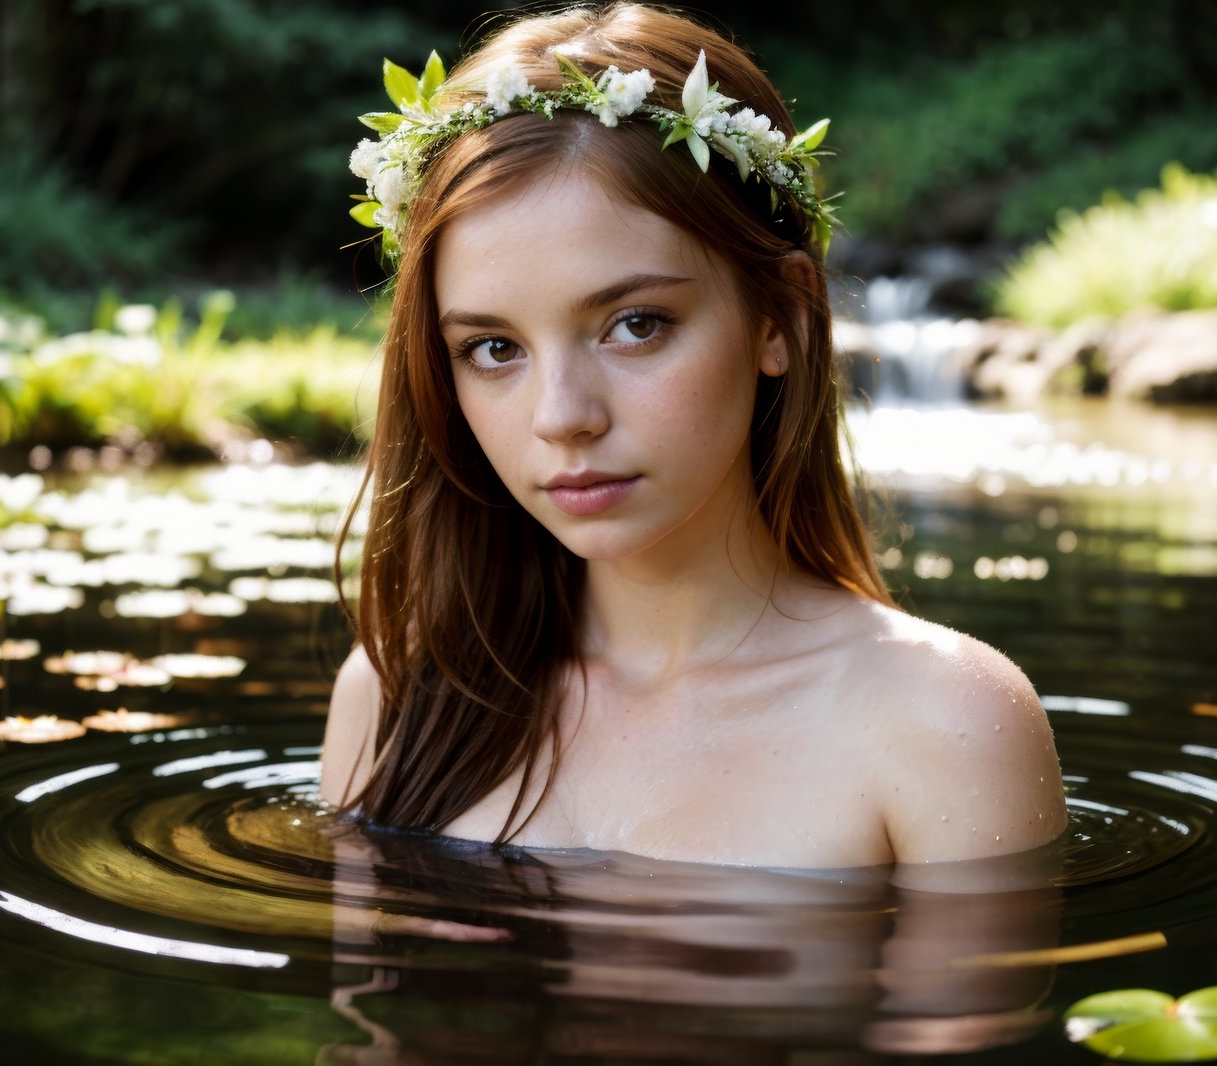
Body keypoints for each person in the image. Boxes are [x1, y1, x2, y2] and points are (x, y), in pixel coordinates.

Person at [321, 2, 1065, 873]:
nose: (562, 416)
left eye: (635, 325)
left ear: (779, 317)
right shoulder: (396, 701)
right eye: (493, 349)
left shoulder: (942, 723)